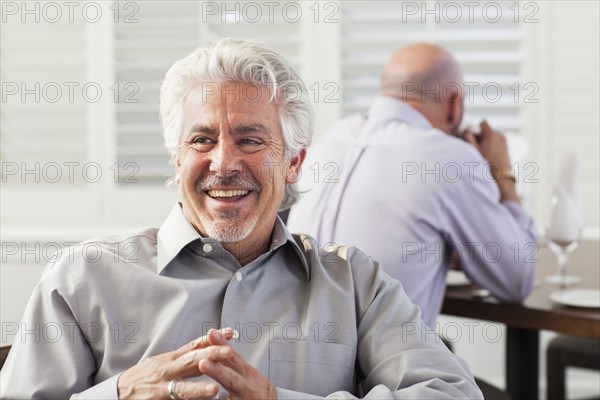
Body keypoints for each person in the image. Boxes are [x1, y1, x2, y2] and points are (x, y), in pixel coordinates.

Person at [0, 39, 482, 399]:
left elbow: (453, 394)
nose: (224, 163)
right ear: (175, 159)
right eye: (202, 140)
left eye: (251, 140)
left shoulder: (354, 282)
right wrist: (121, 391)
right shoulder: (83, 277)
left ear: (293, 162)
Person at [287, 43, 538, 329]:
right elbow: (518, 282)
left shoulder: (330, 139)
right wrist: (503, 175)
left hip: (289, 360)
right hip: (378, 371)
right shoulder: (447, 158)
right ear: (455, 105)